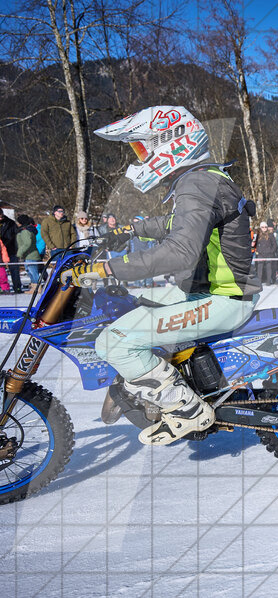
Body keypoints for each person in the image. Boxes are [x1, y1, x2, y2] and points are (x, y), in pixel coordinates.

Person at [66, 105, 260, 445]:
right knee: (134, 308)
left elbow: (179, 250)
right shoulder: (205, 179)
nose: (141, 158)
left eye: (143, 148)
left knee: (113, 342)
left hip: (222, 300)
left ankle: (185, 410)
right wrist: (128, 232)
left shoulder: (197, 184)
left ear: (172, 143)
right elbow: (174, 225)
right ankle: (154, 383)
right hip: (209, 293)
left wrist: (109, 267)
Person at [15, 214, 42, 294]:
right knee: (30, 271)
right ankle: (34, 288)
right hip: (28, 255)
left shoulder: (25, 231)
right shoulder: (26, 230)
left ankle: (37, 288)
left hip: (31, 255)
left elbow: (27, 243)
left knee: (33, 272)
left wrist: (19, 253)